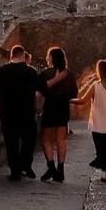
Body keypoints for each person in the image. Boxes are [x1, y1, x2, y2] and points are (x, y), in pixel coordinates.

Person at [0, 45, 39, 181]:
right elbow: (38, 91)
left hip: (8, 113)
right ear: (23, 56)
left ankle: (15, 171)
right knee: (29, 141)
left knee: (11, 142)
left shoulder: (2, 71)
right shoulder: (31, 72)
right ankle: (25, 164)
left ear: (11, 56)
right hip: (27, 113)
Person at [74, 59, 106, 180]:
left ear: (100, 72)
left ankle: (104, 171)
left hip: (98, 124)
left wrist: (68, 100)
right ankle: (105, 171)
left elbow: (82, 100)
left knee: (101, 149)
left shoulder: (96, 86)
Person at [37, 46, 78, 182]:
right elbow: (74, 93)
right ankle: (60, 170)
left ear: (51, 58)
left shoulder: (45, 73)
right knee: (61, 139)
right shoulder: (69, 75)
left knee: (46, 138)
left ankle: (51, 167)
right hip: (63, 108)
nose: (47, 58)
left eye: (48, 56)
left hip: (50, 107)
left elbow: (40, 90)